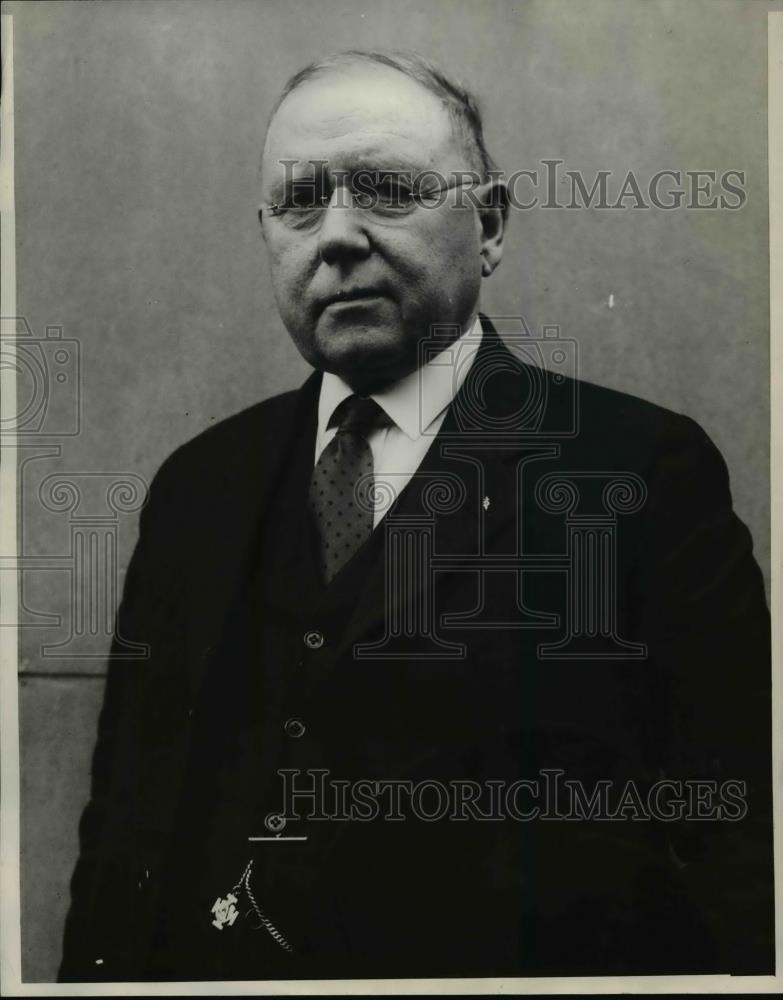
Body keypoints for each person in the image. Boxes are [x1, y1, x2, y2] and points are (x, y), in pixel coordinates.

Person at [59, 50, 773, 982]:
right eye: (300, 201)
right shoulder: (199, 485)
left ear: (489, 225)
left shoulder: (638, 470)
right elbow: (126, 831)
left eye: (389, 189)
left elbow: (734, 835)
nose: (338, 236)